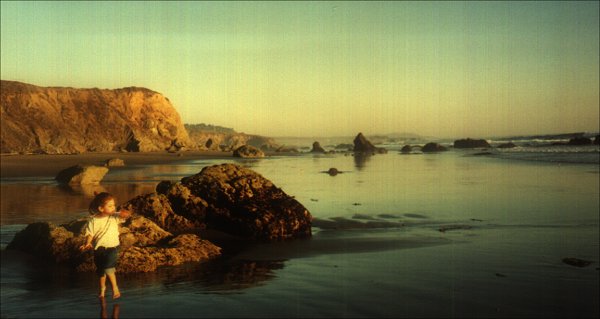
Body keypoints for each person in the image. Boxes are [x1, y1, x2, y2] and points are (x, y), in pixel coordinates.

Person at [80, 192, 131, 299]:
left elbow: (126, 215)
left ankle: (115, 288)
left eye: (114, 205)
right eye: (110, 206)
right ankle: (102, 288)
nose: (113, 208)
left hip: (113, 247)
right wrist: (87, 243)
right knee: (101, 271)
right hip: (99, 248)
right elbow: (90, 234)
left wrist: (124, 213)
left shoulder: (114, 216)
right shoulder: (93, 220)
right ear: (101, 208)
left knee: (108, 267)